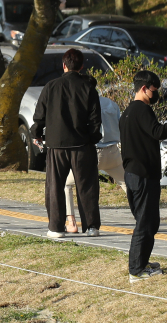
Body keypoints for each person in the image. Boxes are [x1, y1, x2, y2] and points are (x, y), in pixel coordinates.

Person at [119, 70, 167, 283]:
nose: (157, 94)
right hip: (143, 175)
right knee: (145, 224)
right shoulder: (142, 110)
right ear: (144, 88)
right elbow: (159, 132)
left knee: (149, 222)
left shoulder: (127, 112)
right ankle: (136, 270)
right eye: (155, 90)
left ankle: (142, 262)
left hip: (133, 174)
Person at [32, 48, 102, 238]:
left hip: (56, 144)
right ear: (82, 66)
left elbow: (39, 116)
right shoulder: (88, 88)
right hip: (82, 144)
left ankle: (56, 227)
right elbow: (96, 121)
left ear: (64, 65)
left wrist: (36, 133)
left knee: (54, 186)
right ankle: (91, 226)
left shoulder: (51, 86)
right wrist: (92, 138)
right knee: (86, 186)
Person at [64, 92, 126, 234]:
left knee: (67, 184)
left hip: (91, 152)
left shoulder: (80, 104)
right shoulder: (110, 103)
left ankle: (71, 222)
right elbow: (120, 124)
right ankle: (141, 218)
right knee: (127, 183)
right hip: (112, 151)